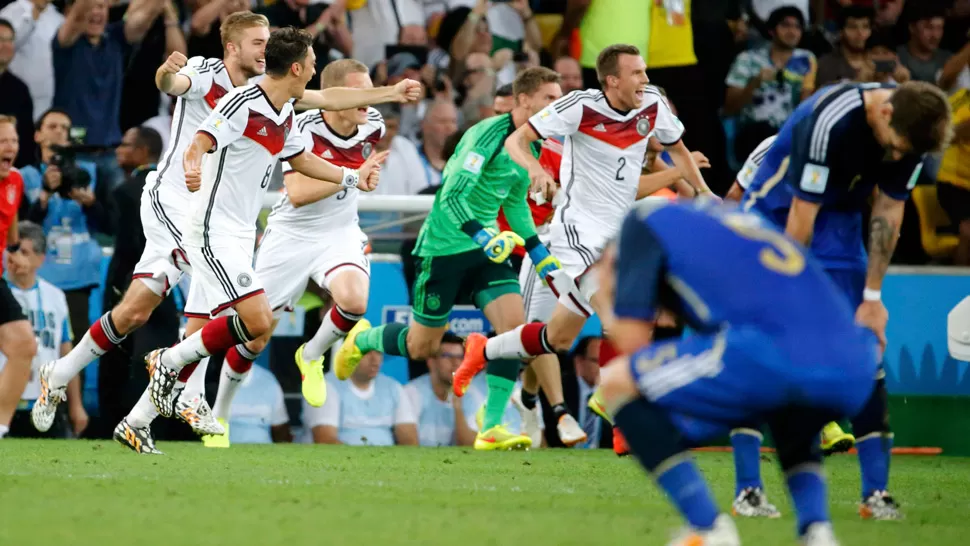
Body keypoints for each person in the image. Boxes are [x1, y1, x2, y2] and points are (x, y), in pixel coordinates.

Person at [31, 13, 421, 451]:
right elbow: (174, 90)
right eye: (257, 42)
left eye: (268, 42)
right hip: (176, 200)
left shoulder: (280, 104)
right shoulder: (207, 74)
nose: (264, 49)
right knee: (230, 311)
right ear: (233, 47)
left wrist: (387, 99)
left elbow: (326, 98)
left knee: (137, 311)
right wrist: (167, 77)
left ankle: (71, 378)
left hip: (223, 218)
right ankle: (186, 386)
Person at [597, 199, 880, 546]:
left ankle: (707, 528)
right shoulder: (735, 220)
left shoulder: (639, 221)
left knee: (617, 382)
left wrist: (606, 297)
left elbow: (631, 340)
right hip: (855, 364)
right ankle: (817, 531)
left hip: (772, 355)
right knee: (791, 407)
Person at [141, 27, 386, 424]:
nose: (314, 69)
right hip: (228, 228)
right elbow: (201, 140)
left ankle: (145, 412)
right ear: (296, 67)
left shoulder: (287, 110)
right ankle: (180, 380)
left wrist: (353, 179)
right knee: (249, 327)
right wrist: (190, 166)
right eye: (311, 62)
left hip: (251, 230)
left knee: (333, 305)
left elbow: (306, 157)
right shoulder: (244, 102)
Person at [455, 45, 709, 413]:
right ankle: (616, 407)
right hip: (577, 232)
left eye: (645, 71)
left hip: (617, 231)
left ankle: (485, 348)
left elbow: (680, 149)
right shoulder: (580, 107)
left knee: (557, 337)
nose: (646, 79)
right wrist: (536, 169)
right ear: (612, 80)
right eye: (637, 73)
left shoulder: (651, 103)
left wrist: (703, 191)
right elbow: (516, 140)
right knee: (623, 314)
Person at [742, 80, 952, 520]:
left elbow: (889, 211)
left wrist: (872, 298)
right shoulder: (830, 121)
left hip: (838, 220)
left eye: (904, 154)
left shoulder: (911, 131)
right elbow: (801, 214)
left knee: (864, 347)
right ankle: (749, 491)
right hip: (777, 216)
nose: (896, 158)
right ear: (885, 114)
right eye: (895, 149)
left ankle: (875, 495)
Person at [331, 67, 567, 451]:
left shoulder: (532, 144)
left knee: (513, 332)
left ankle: (490, 425)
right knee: (423, 346)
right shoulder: (484, 137)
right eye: (550, 99)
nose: (558, 107)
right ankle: (364, 338)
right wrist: (482, 234)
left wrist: (538, 252)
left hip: (487, 250)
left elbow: (513, 201)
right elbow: (453, 197)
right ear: (525, 101)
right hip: (443, 248)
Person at [200, 58, 386, 448]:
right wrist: (355, 175)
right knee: (255, 335)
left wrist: (363, 175)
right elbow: (298, 194)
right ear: (335, 98)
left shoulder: (374, 125)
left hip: (338, 231)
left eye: (370, 91)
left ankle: (312, 354)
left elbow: (363, 169)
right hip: (291, 234)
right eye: (358, 93)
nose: (367, 102)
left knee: (354, 301)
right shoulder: (302, 126)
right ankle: (220, 414)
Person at [3, 221, 86, 438]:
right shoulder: (1, 296)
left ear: (41, 259)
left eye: (24, 252)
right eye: (11, 250)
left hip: (45, 403)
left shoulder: (55, 296)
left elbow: (66, 353)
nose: (14, 258)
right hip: (5, 403)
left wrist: (76, 405)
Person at [0, 115, 36, 438]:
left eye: (13, 141)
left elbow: (9, 216)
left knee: (24, 345)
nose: (9, 147)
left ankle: (0, 427)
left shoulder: (15, 180)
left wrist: (14, 251)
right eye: (2, 141)